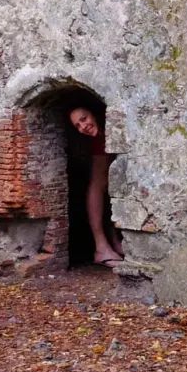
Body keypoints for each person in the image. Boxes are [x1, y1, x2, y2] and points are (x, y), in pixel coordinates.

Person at [68, 106, 124, 268]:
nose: (83, 127)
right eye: (77, 126)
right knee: (99, 184)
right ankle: (101, 248)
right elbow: (98, 183)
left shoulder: (108, 129)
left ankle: (114, 243)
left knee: (108, 187)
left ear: (94, 113)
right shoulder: (96, 139)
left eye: (84, 119)